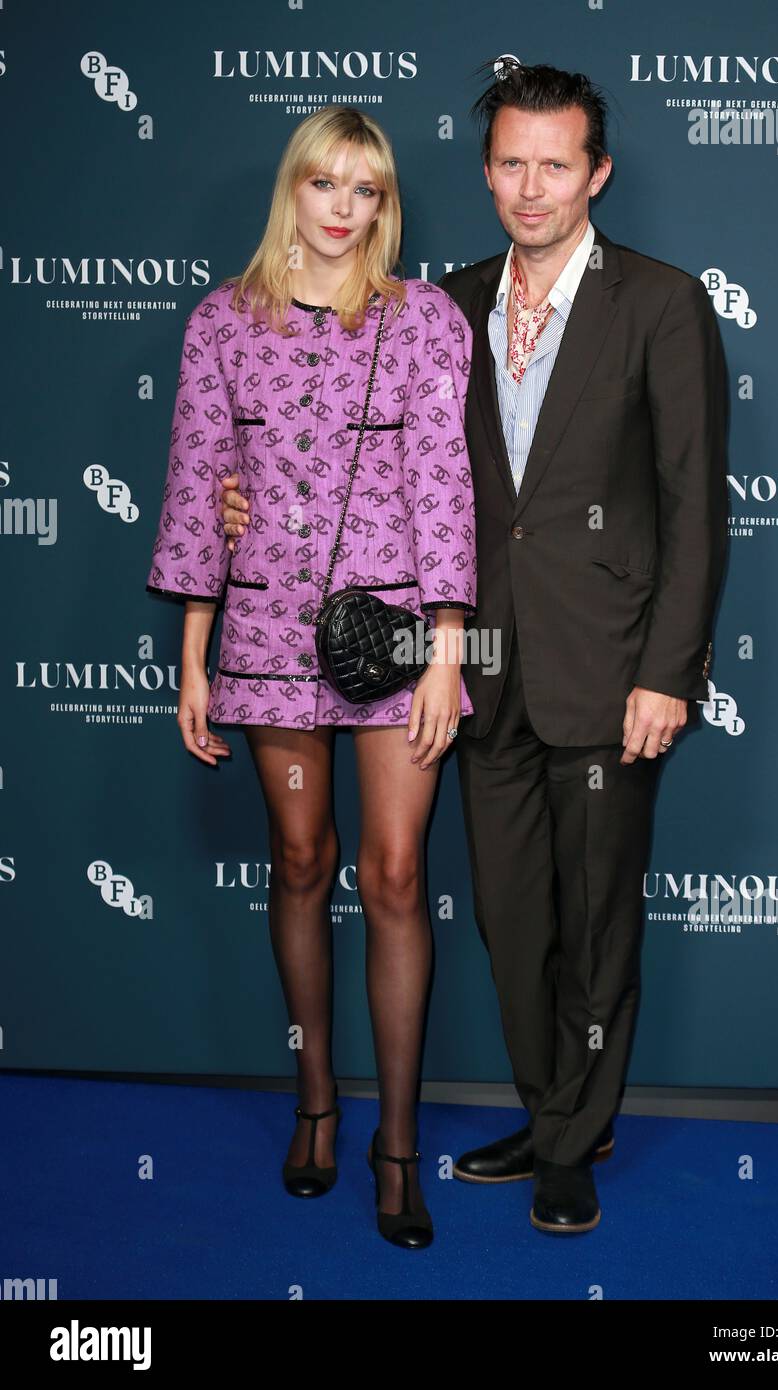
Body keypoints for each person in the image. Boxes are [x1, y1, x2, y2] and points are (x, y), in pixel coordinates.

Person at [220, 62, 729, 1237]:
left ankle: (569, 1149)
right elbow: (357, 453)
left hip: (610, 672)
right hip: (471, 670)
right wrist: (242, 497)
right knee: (511, 919)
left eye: (556, 163)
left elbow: (696, 506)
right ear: (486, 169)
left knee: (598, 925)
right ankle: (555, 1107)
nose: (531, 185)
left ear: (596, 172)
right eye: (510, 162)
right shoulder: (440, 302)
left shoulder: (660, 302)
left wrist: (669, 670)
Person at [144, 105, 477, 1249]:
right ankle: (317, 1106)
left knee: (393, 874)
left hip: (389, 637)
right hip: (268, 629)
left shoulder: (425, 322)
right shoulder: (221, 324)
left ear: (386, 207)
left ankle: (396, 1142)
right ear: (292, 188)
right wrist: (195, 658)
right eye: (326, 183)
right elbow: (199, 485)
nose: (344, 208)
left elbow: (444, 489)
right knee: (301, 860)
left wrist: (445, 650)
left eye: (367, 190)